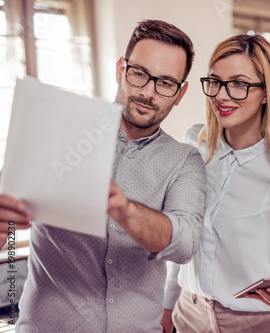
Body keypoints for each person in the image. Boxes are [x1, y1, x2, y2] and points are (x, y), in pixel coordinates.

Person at [0, 20, 207, 332]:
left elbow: (185, 242)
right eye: (139, 74)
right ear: (120, 69)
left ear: (180, 93)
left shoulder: (185, 161)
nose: (147, 93)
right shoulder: (55, 133)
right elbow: (8, 223)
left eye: (165, 83)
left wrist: (125, 210)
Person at [160, 34, 270, 333]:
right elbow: (183, 240)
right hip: (189, 315)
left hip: (259, 322)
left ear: (266, 93)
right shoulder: (195, 148)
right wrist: (167, 307)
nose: (222, 95)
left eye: (239, 84)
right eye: (215, 82)